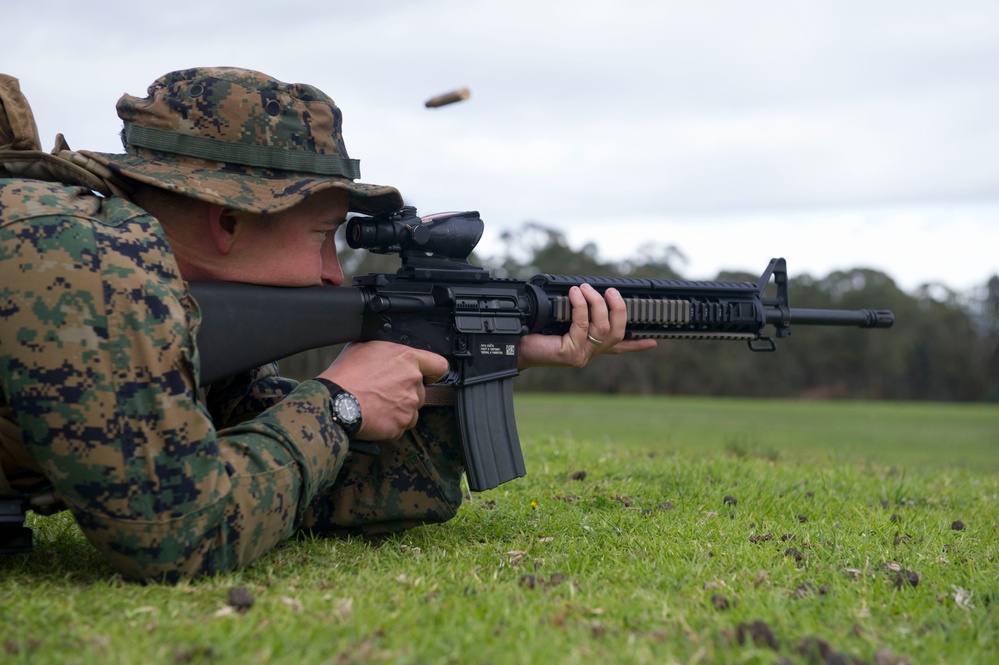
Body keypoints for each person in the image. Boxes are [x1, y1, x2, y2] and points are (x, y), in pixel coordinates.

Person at [0, 67, 655, 581]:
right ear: (227, 219)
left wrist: (470, 359)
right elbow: (179, 535)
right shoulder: (83, 259)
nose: (330, 274)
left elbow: (342, 494)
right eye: (321, 237)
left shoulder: (170, 299)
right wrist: (337, 403)